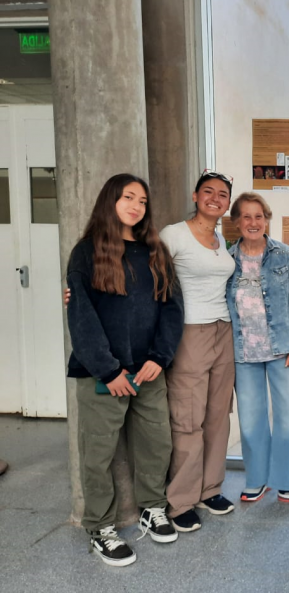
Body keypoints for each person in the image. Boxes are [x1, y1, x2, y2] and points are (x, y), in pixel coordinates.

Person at [66, 173, 184, 566]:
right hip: (102, 374)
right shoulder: (86, 253)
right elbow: (82, 317)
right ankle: (100, 527)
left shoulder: (155, 251)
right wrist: (108, 370)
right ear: (109, 201)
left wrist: (159, 358)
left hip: (148, 371)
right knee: (97, 454)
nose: (136, 206)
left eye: (143, 201)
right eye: (128, 197)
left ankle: (153, 508)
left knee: (157, 444)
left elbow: (172, 308)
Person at [225, 193, 289, 507]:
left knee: (288, 418)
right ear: (237, 222)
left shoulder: (284, 255)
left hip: (281, 350)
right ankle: (258, 479)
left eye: (259, 216)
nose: (253, 223)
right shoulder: (227, 260)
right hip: (243, 353)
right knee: (251, 420)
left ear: (266, 219)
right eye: (246, 216)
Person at [159, 170, 237, 532]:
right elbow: (148, 281)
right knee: (188, 417)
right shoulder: (174, 234)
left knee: (218, 415)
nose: (215, 198)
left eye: (223, 195)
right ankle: (181, 500)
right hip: (189, 331)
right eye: (209, 192)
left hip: (224, 331)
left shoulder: (220, 238)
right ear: (195, 196)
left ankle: (210, 489)